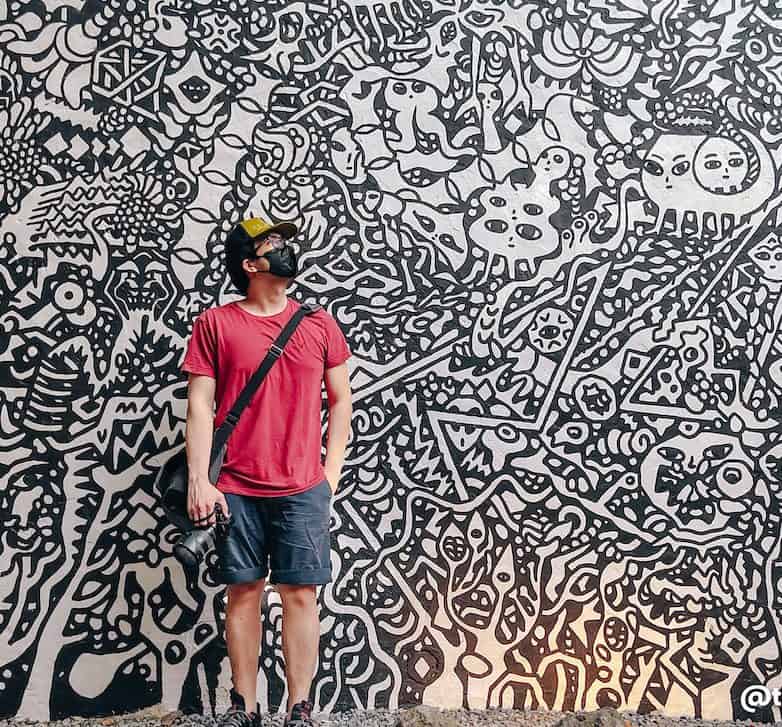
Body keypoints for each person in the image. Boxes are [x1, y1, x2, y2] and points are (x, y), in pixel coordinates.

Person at [179, 217, 353, 727]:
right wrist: (199, 480)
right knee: (243, 593)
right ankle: (245, 706)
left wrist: (330, 473)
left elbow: (341, 400)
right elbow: (199, 405)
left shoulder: (319, 323)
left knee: (300, 594)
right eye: (271, 243)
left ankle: (300, 708)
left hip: (303, 486)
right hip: (235, 487)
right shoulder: (215, 324)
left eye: (283, 242)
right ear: (249, 264)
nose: (283, 250)